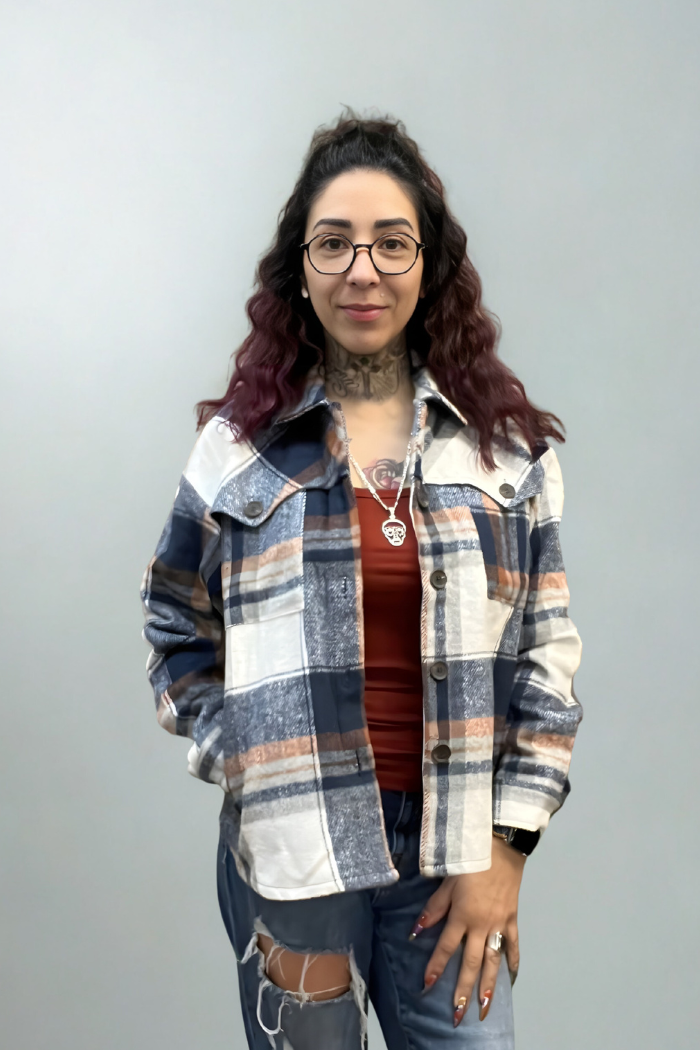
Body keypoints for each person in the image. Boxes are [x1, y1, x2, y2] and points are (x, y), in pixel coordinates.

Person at [141, 112, 583, 1050]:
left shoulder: (508, 450)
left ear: (429, 264)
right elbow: (175, 627)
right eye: (334, 243)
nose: (363, 269)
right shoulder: (237, 452)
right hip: (295, 856)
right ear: (299, 268)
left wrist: (509, 846)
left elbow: (549, 656)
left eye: (391, 243)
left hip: (454, 848)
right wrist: (248, 761)